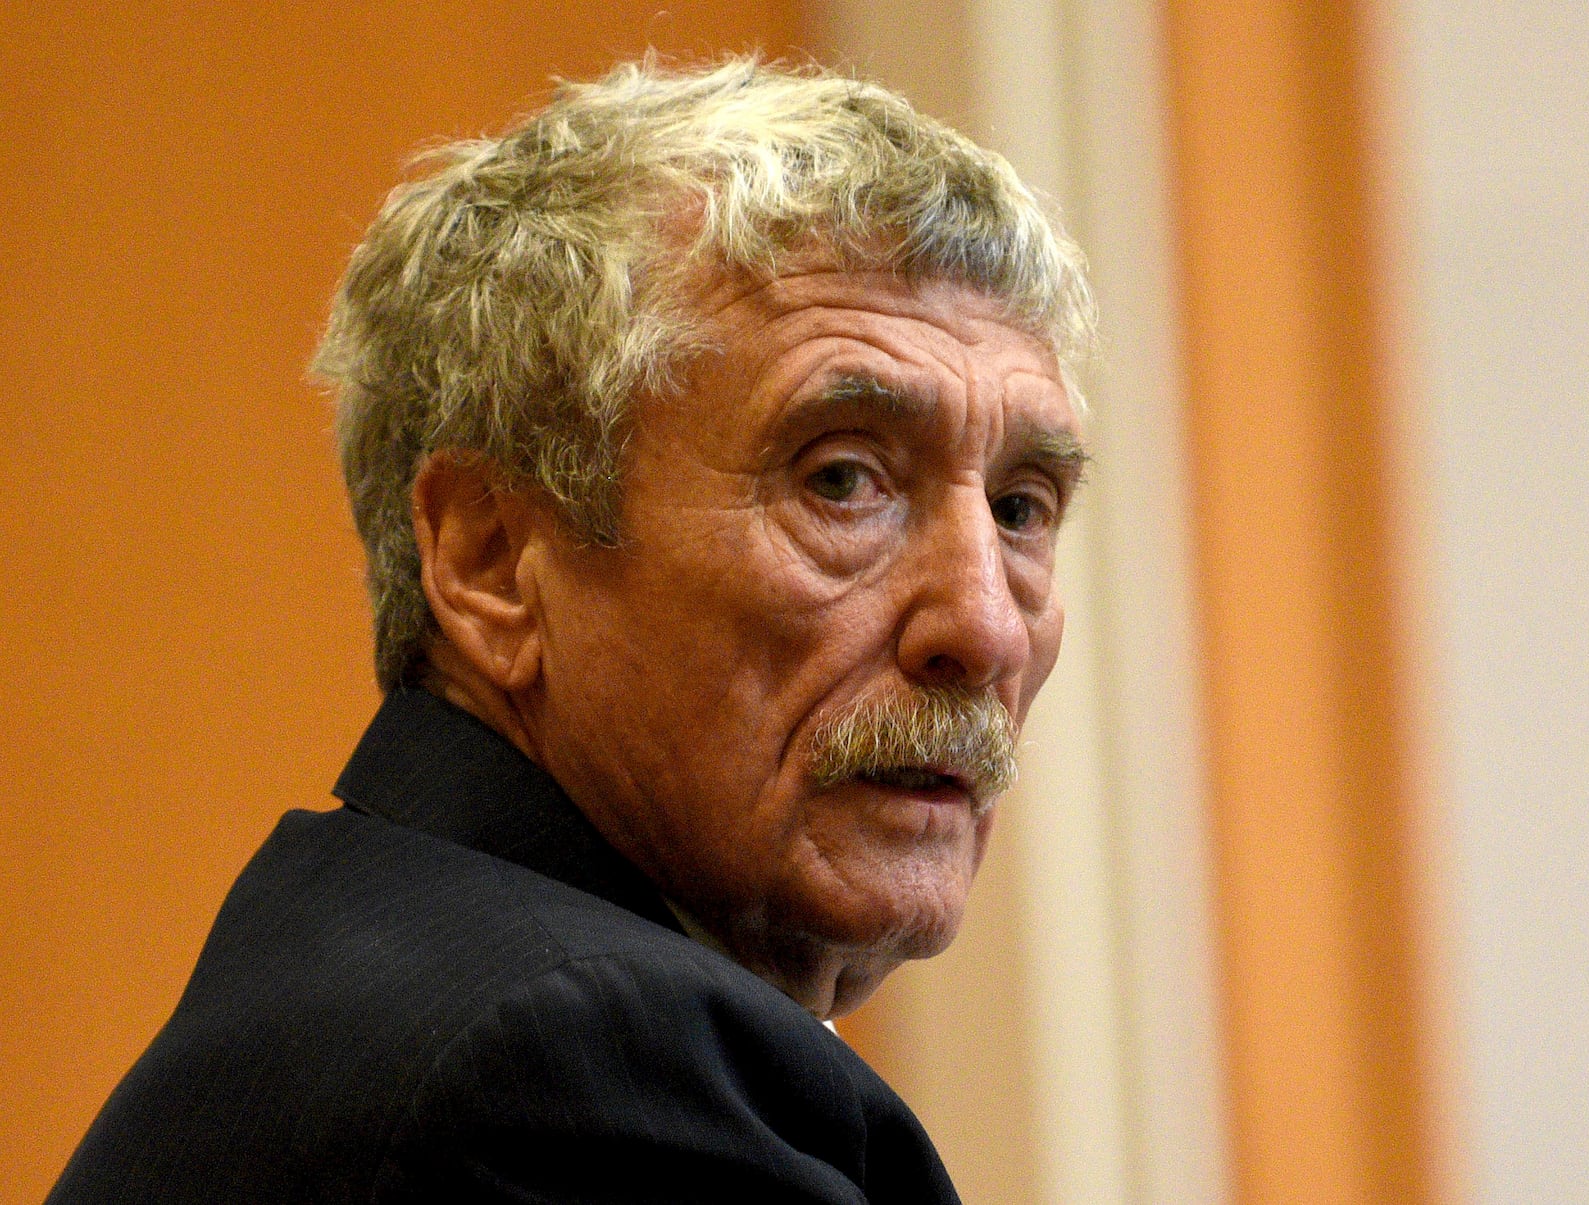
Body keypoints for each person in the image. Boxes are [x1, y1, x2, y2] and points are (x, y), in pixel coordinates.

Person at [49, 57, 1093, 1203]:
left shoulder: (407, 961)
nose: (986, 626)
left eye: (1018, 507)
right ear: (491, 561)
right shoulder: (568, 1067)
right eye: (841, 479)